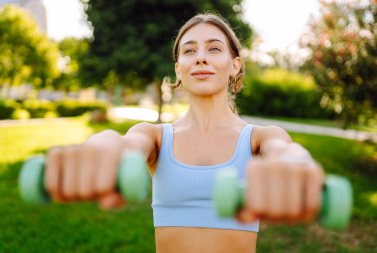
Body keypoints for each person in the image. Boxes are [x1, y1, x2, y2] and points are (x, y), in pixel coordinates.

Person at [44, 13, 324, 253]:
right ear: (179, 69)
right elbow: (123, 144)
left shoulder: (259, 138)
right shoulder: (155, 137)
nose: (201, 58)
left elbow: (285, 150)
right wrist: (100, 147)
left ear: (235, 65)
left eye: (214, 49)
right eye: (190, 51)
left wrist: (296, 162)